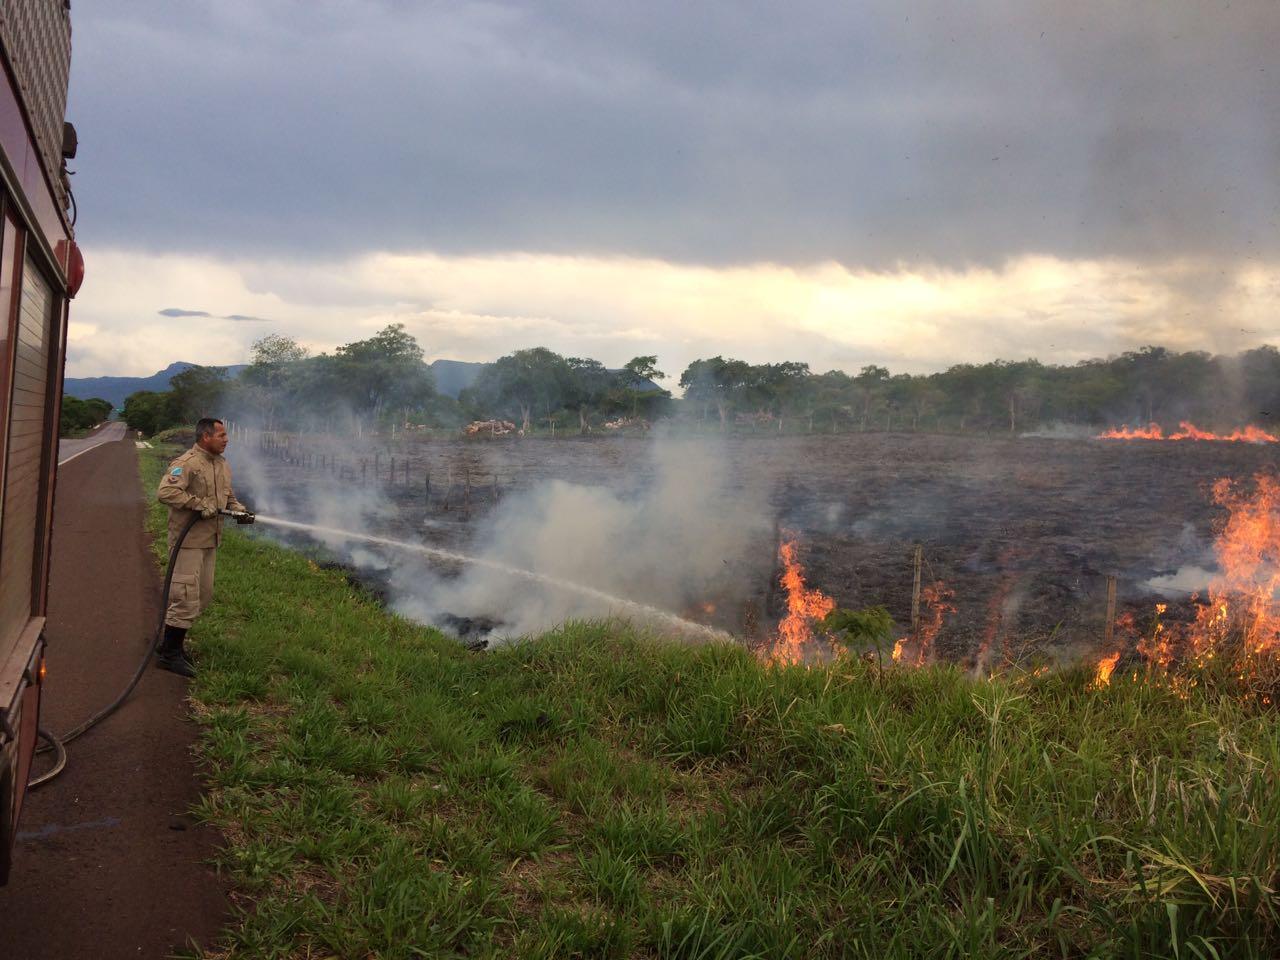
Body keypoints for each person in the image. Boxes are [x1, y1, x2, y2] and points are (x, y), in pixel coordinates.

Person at [154, 417, 254, 676]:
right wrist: (198, 504)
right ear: (205, 437)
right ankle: (169, 654)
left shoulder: (221, 464)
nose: (226, 439)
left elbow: (227, 495)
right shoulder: (186, 463)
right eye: (221, 435)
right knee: (185, 596)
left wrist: (239, 511)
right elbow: (166, 493)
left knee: (203, 595)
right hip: (187, 543)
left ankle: (171, 643)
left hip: (210, 540)